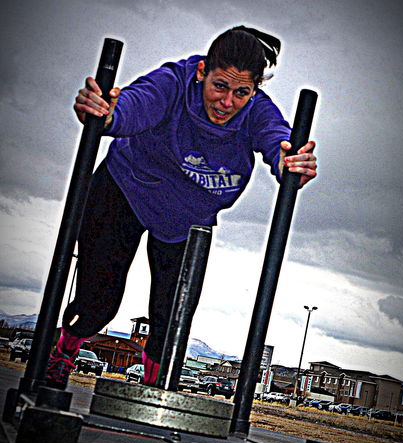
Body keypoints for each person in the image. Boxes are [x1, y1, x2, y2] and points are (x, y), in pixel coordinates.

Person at [45, 25, 317, 390]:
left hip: (188, 219)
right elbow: (133, 105)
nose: (227, 102)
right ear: (202, 71)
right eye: (219, 86)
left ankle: (155, 390)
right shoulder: (173, 81)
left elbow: (278, 141)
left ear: (254, 91)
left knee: (172, 315)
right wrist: (107, 114)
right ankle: (62, 353)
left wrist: (291, 164)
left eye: (241, 92)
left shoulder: (257, 112)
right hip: (125, 190)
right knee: (98, 299)